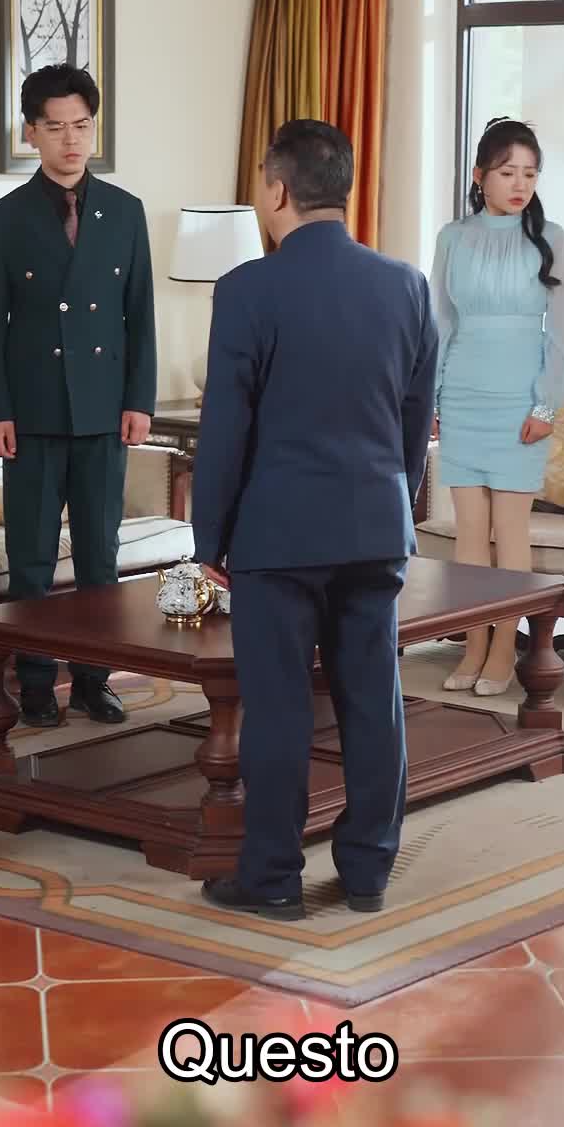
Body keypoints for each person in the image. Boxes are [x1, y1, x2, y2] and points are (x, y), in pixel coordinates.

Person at [190, 119, 438, 921]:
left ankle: (272, 878)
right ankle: (368, 872)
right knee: (373, 700)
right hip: (375, 524)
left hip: (279, 533)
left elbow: (226, 425)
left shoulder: (247, 289)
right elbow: (415, 419)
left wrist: (209, 536)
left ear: (278, 189)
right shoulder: (406, 285)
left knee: (279, 708)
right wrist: (394, 497)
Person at [0, 63, 156, 728]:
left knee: (100, 557)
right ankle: (33, 684)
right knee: (29, 561)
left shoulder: (126, 212)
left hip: (105, 412)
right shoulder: (4, 217)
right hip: (31, 414)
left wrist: (140, 400)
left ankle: (93, 680)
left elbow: (140, 315)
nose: (71, 139)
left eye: (81, 125)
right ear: (31, 133)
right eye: (55, 127)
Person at [429, 117, 564, 695]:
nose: (520, 184)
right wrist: (431, 396)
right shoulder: (452, 237)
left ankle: (503, 651)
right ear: (479, 175)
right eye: (508, 172)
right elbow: (439, 322)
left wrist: (547, 405)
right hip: (463, 394)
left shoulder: (551, 237)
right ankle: (472, 647)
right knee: (470, 531)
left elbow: (560, 332)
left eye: (530, 174)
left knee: (510, 531)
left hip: (521, 400)